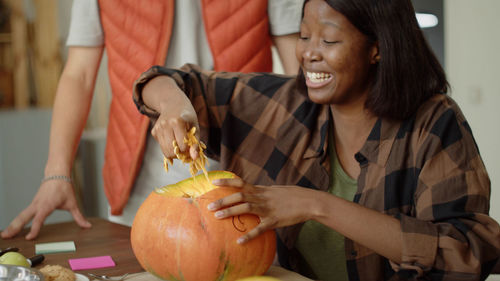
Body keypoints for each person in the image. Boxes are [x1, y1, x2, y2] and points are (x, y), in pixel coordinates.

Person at [132, 0, 500, 279]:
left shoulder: (434, 122)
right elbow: (164, 80)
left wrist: (316, 205)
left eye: (328, 39)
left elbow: (468, 252)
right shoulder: (279, 102)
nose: (308, 53)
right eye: (305, 36)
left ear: (379, 48)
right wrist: (175, 108)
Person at [1, 0, 303, 240]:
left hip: (243, 178)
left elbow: (299, 78)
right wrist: (57, 172)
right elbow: (78, 75)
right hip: (139, 188)